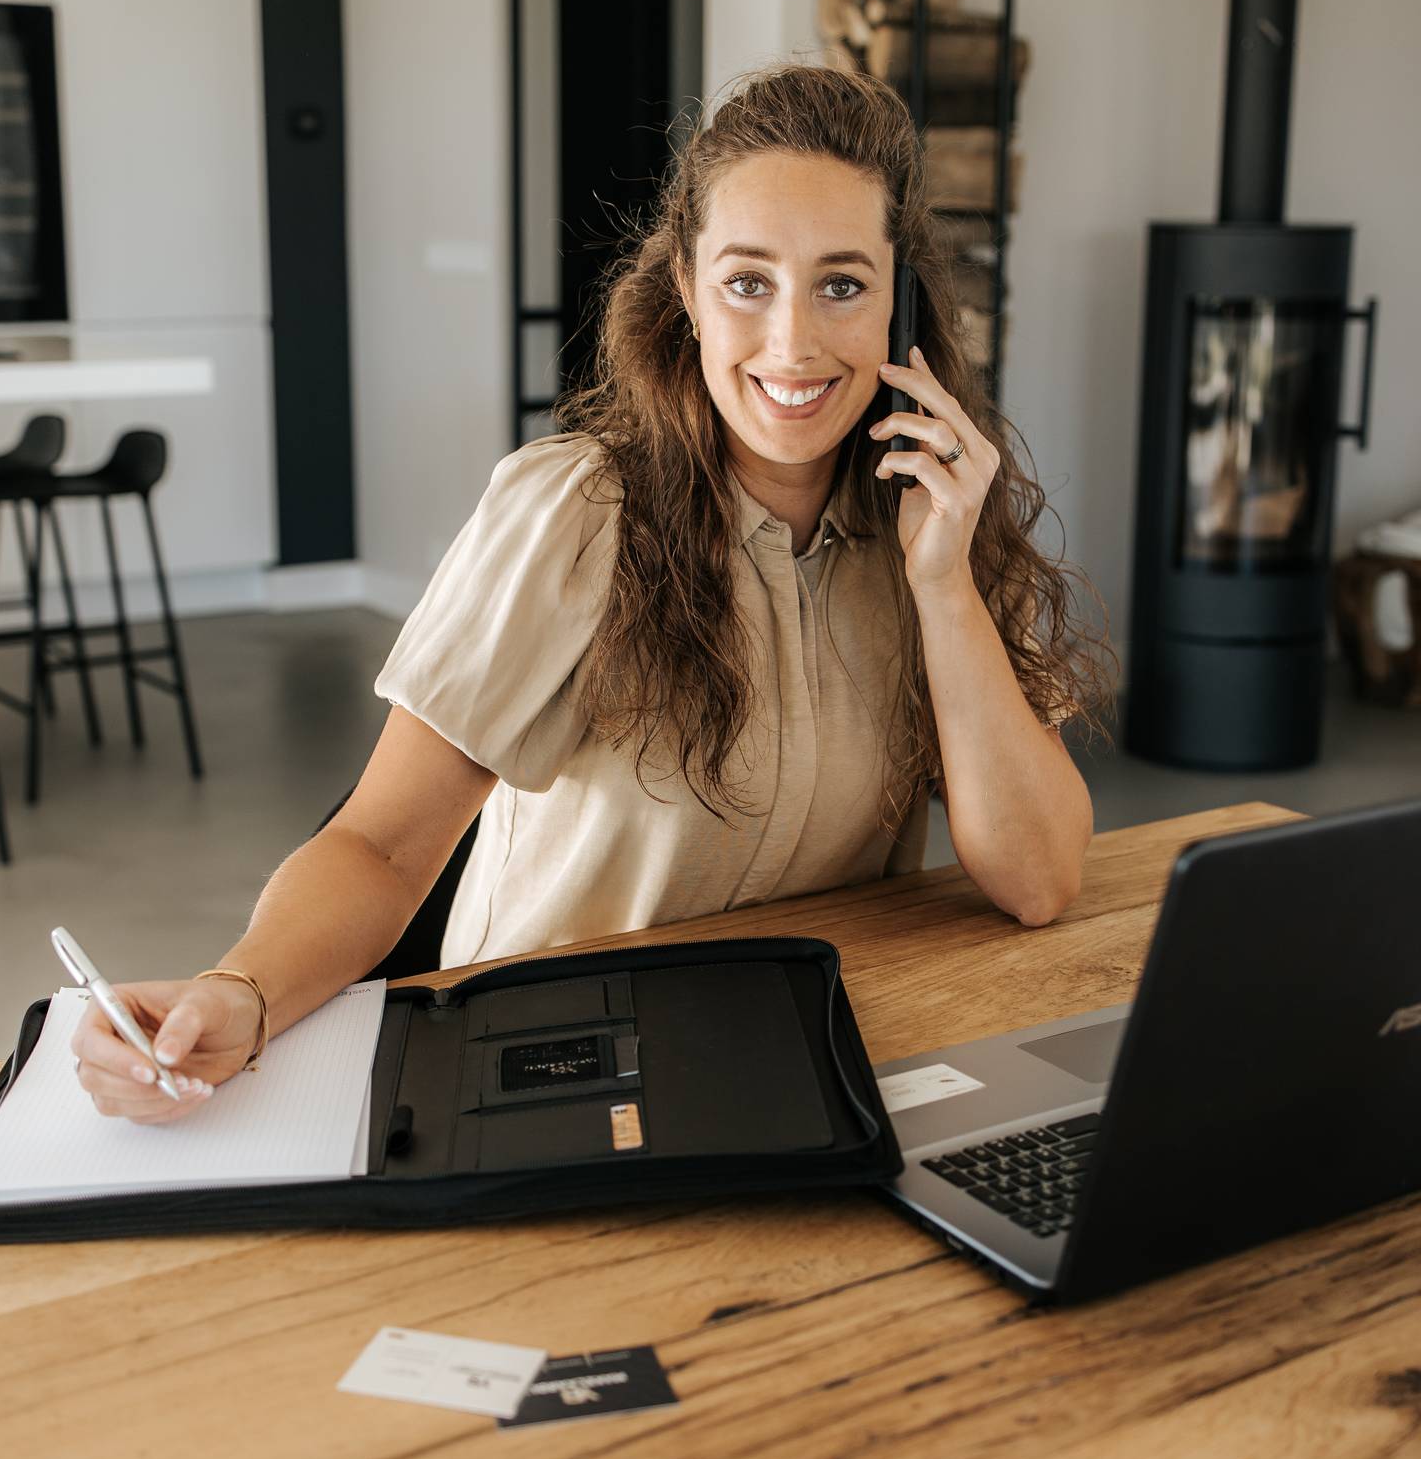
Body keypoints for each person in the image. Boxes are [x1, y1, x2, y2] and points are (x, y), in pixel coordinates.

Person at [73, 63, 1110, 1124]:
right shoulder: (575, 513)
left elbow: (1037, 881)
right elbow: (382, 845)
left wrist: (943, 588)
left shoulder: (935, 523)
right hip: (553, 1082)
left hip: (806, 1074)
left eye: (841, 285)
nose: (793, 342)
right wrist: (238, 991)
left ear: (903, 311)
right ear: (690, 297)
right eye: (749, 283)